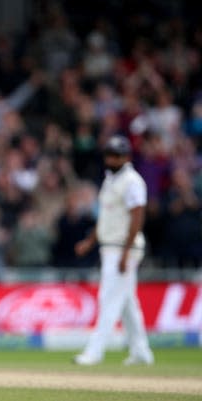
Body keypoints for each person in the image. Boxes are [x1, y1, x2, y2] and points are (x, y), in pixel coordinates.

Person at [72, 135, 154, 366]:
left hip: (122, 248)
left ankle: (94, 352)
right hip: (110, 247)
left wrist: (127, 252)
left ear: (126, 157)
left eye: (116, 155)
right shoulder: (110, 180)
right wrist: (90, 242)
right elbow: (106, 218)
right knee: (127, 303)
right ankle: (141, 352)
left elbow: (137, 217)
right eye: (109, 154)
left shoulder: (132, 181)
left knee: (108, 298)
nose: (111, 158)